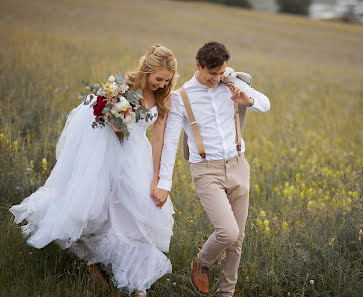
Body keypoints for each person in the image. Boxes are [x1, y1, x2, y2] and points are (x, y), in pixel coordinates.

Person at [9, 45, 177, 297]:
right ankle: (91, 261)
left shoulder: (164, 97)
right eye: (158, 79)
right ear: (147, 70)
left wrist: (156, 178)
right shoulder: (126, 83)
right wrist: (114, 118)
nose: (162, 84)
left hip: (137, 157)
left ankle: (135, 280)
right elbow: (95, 113)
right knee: (99, 207)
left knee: (137, 210)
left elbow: (157, 140)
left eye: (167, 80)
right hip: (110, 149)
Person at [153, 41, 270, 296]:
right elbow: (171, 142)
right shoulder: (181, 97)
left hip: (239, 165)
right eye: (211, 74)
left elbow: (266, 103)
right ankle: (202, 262)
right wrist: (164, 183)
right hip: (206, 170)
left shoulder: (231, 83)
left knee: (237, 240)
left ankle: (225, 293)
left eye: (220, 73)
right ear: (198, 65)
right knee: (227, 232)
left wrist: (246, 98)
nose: (216, 79)